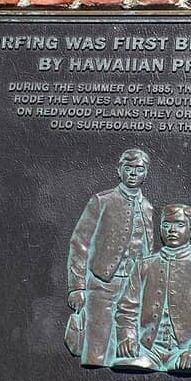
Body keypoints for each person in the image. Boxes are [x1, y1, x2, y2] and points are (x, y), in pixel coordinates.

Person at [115, 204, 191, 374]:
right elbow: (126, 307)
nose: (172, 230)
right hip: (147, 351)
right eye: (167, 224)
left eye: (179, 224)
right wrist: (127, 336)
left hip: (186, 353)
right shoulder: (144, 266)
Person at [66, 149, 153, 367]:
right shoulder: (101, 201)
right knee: (96, 349)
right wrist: (77, 287)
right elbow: (80, 243)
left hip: (134, 290)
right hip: (103, 285)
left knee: (127, 353)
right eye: (128, 168)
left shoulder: (148, 208)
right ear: (119, 170)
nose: (133, 173)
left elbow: (147, 252)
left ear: (146, 174)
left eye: (139, 169)